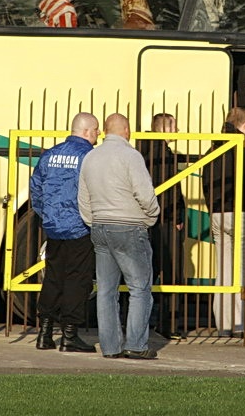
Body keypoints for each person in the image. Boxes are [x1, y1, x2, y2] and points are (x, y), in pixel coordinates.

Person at [79, 113, 160, 359]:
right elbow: (145, 194)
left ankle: (111, 347)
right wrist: (151, 217)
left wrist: (94, 222)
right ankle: (135, 345)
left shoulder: (91, 157)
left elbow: (83, 198)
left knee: (105, 290)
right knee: (139, 288)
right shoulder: (131, 156)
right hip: (129, 226)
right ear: (126, 129)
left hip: (100, 227)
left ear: (104, 131)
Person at [30, 112, 101, 352]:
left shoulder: (49, 155)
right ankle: (70, 334)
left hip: (54, 227)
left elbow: (36, 189)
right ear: (87, 131)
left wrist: (47, 216)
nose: (99, 134)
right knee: (77, 281)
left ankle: (45, 333)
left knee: (52, 278)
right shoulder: (90, 157)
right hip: (79, 226)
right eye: (96, 130)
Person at [136, 112, 187, 340]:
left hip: (149, 220)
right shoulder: (161, 155)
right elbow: (168, 190)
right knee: (173, 273)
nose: (177, 131)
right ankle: (169, 324)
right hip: (164, 220)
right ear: (164, 129)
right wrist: (177, 216)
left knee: (147, 272)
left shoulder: (144, 152)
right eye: (174, 126)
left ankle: (141, 321)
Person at [201, 107, 245, 337]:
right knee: (239, 271)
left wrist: (211, 208)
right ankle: (238, 324)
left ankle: (223, 325)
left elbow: (204, 180)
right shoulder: (242, 146)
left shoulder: (213, 146)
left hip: (216, 214)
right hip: (238, 211)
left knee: (223, 271)